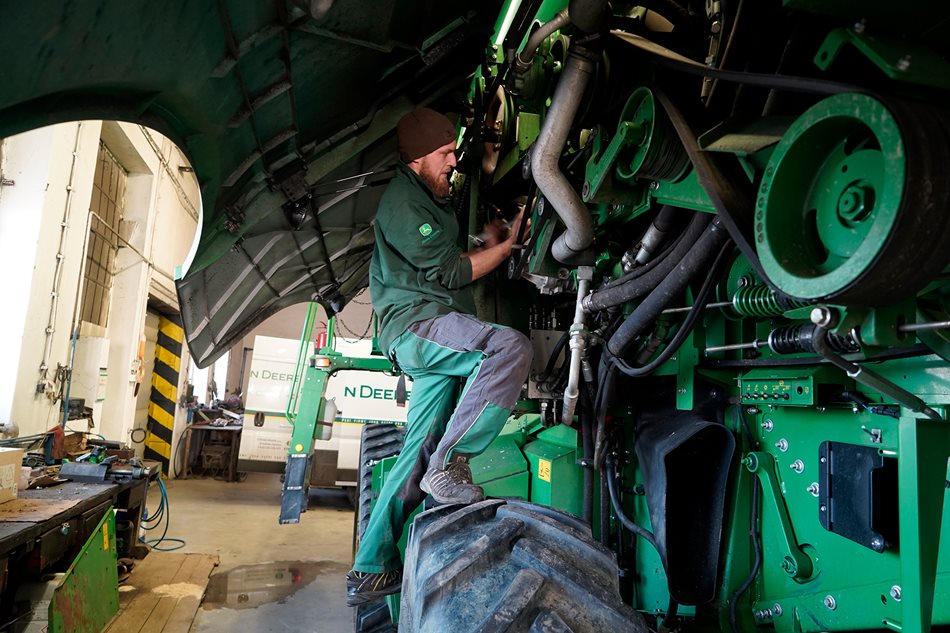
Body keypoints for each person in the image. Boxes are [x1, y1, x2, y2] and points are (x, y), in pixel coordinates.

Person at [346, 108, 532, 606]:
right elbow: (451, 271)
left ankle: (371, 567)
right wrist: (508, 248)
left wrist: (491, 238)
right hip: (418, 326)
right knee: (508, 347)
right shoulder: (402, 202)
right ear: (418, 157)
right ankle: (449, 465)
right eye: (446, 153)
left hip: (433, 329)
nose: (453, 161)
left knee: (417, 449)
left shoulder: (431, 197)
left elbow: (452, 252)